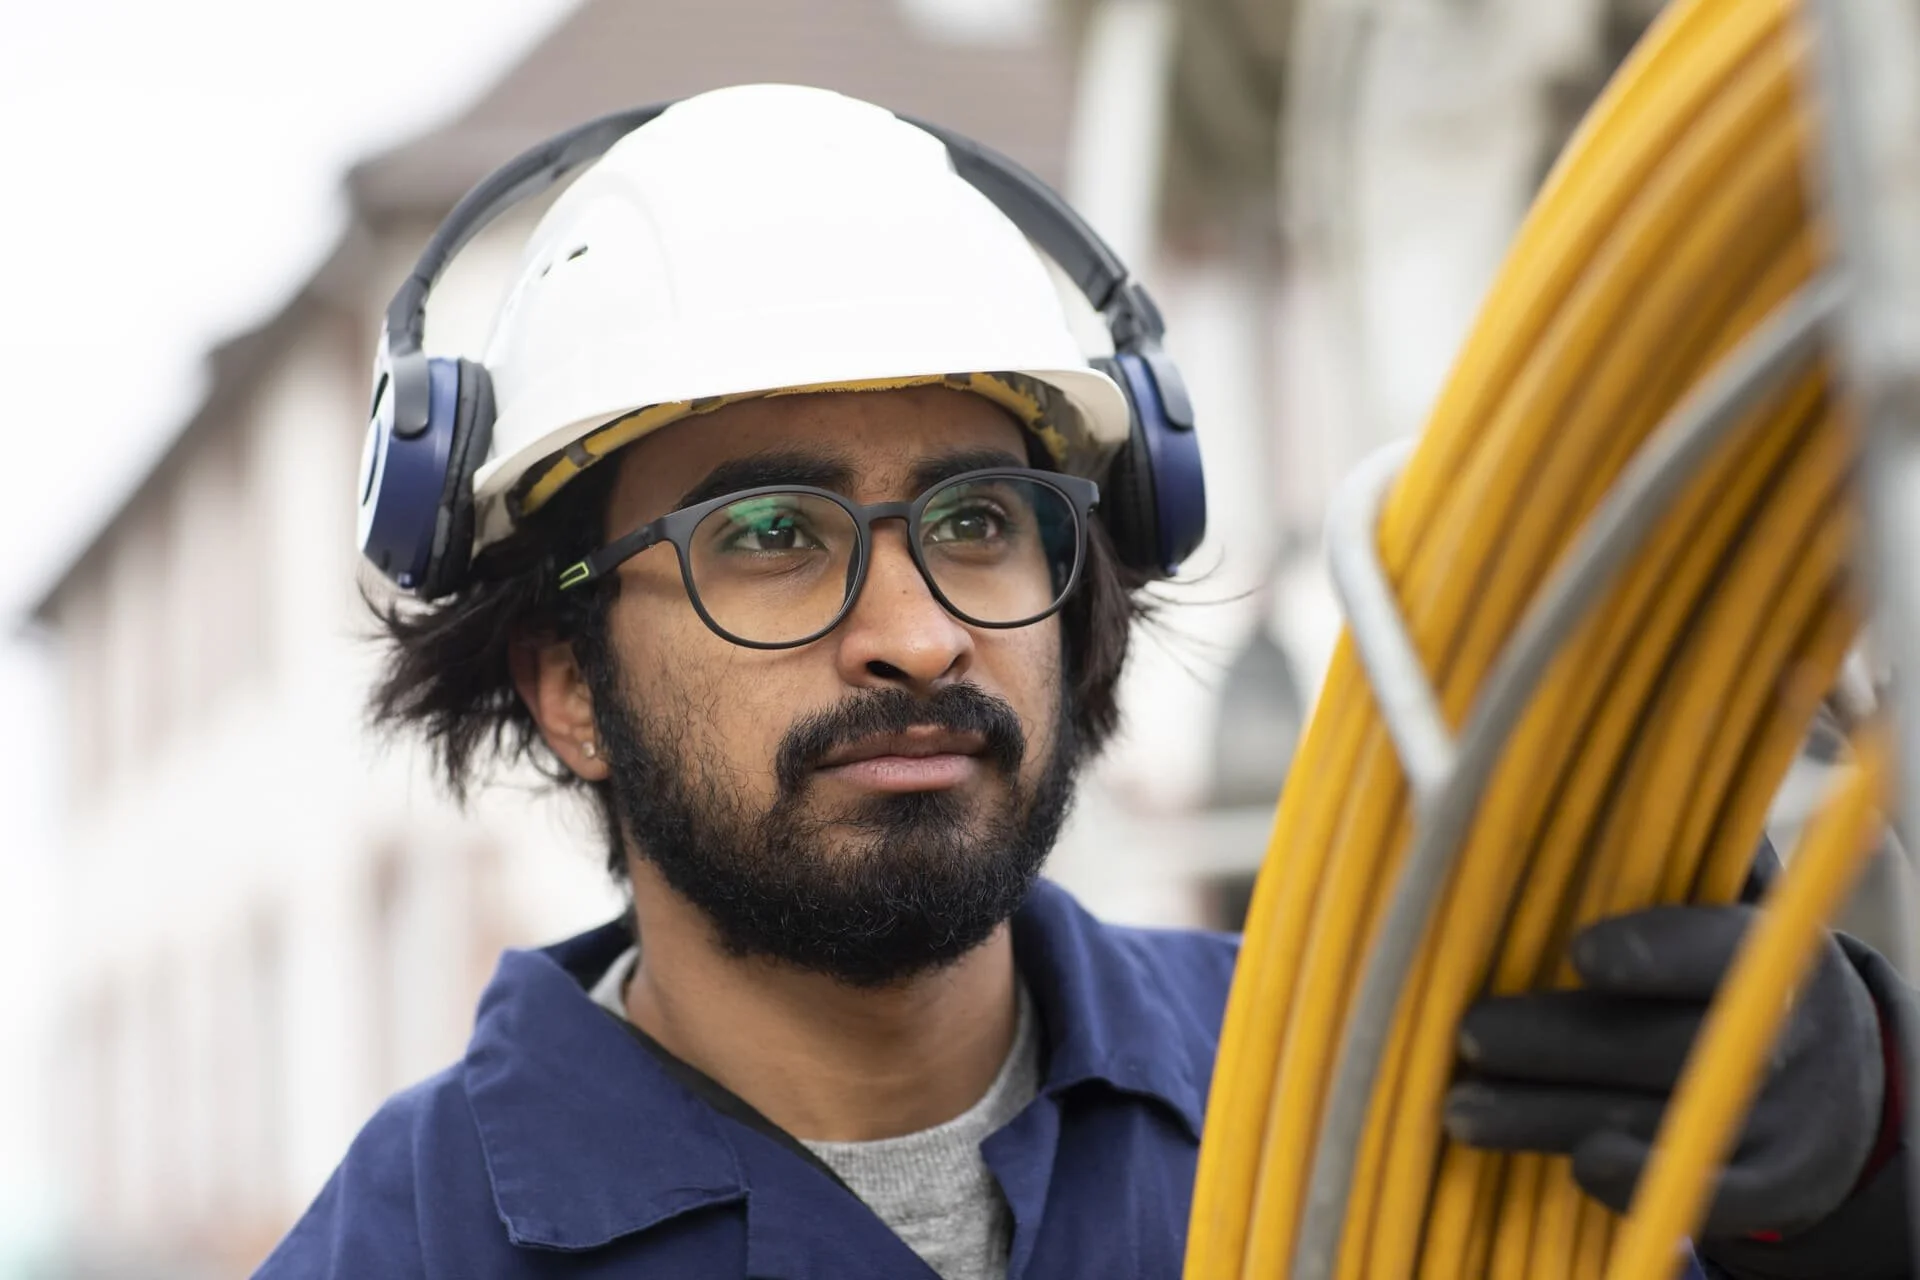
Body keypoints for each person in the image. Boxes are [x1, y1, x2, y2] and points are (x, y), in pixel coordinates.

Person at [259, 85, 1914, 1279]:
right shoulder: (409, 1245)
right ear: (562, 681)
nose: (915, 633)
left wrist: (1861, 1170)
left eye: (981, 520)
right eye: (767, 531)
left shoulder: (1383, 1070)